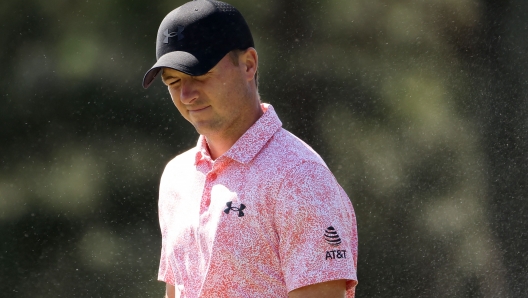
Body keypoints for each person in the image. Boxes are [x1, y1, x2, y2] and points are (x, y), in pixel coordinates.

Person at [142, 1, 358, 297]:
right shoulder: (176, 177)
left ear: (248, 65)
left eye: (199, 75)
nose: (187, 94)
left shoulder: (300, 178)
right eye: (174, 81)